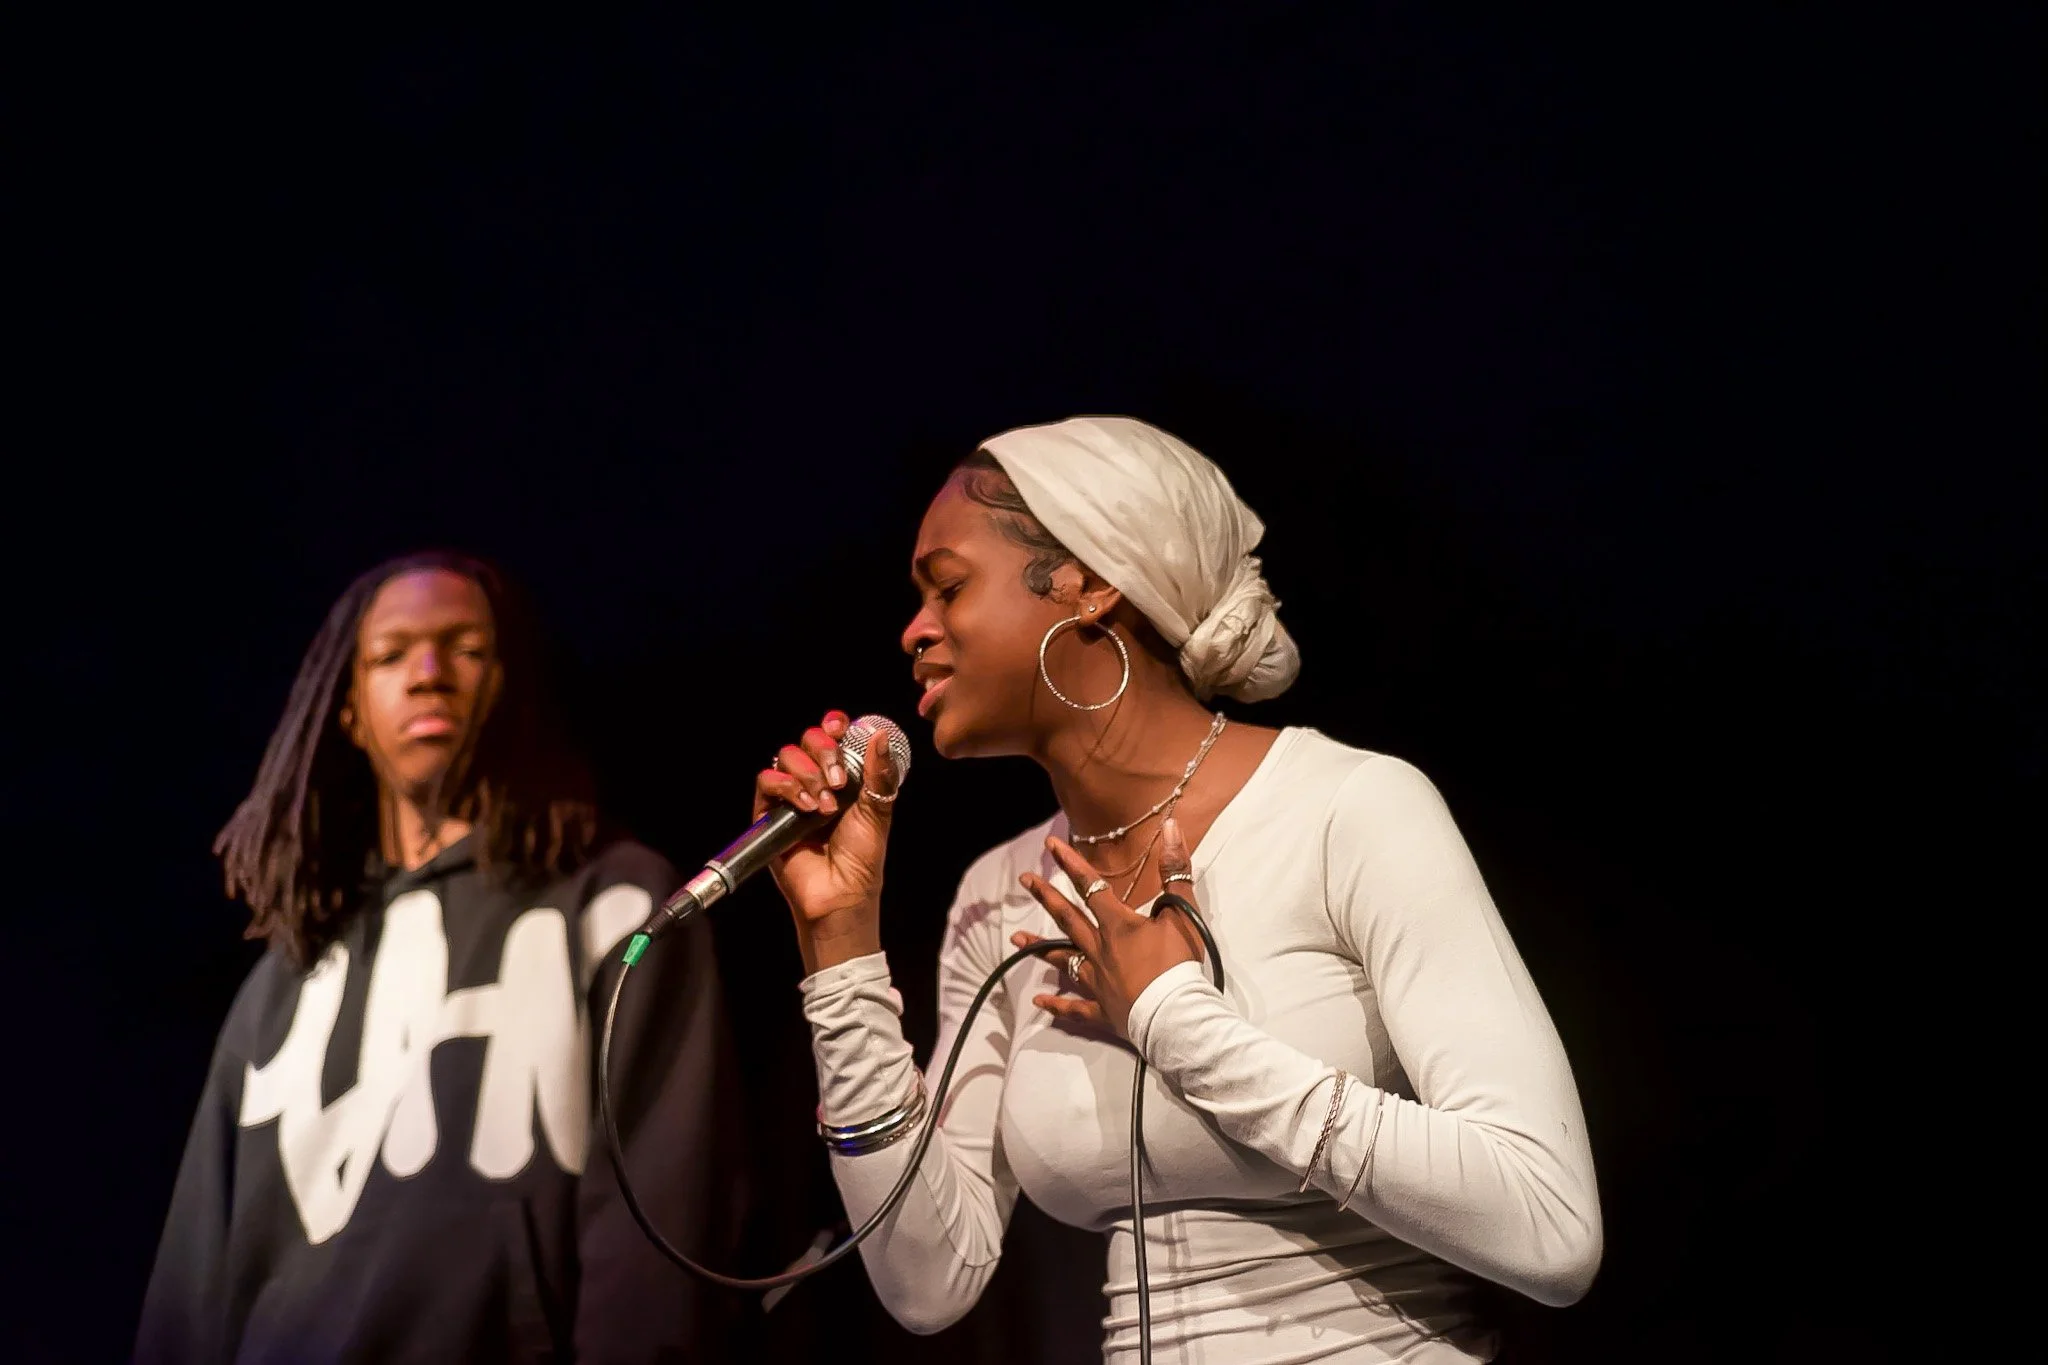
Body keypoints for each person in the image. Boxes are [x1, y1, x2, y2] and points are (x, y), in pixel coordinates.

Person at [753, 417, 1602, 1362]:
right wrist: (841, 947)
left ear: (1089, 583)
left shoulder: (1349, 810)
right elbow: (926, 1279)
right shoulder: (1001, 894)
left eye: (948, 587)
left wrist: (1175, 1019)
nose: (914, 631)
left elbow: (1551, 1225)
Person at [136, 549, 741, 1364]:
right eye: (390, 654)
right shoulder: (283, 980)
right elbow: (190, 1289)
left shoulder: (622, 908)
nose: (428, 672)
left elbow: (658, 1232)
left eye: (465, 647)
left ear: (512, 683)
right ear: (347, 709)